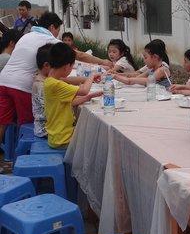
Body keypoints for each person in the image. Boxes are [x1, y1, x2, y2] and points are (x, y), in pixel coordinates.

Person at [0, 11, 112, 143]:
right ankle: (30, 151)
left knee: (2, 122)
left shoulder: (27, 36)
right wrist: (102, 62)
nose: (57, 34)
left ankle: (10, 153)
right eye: (58, 30)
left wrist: (87, 79)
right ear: (52, 27)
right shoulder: (48, 39)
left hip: (3, 80)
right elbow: (79, 55)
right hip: (22, 85)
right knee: (27, 122)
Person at [44, 43, 102, 149]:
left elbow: (68, 102)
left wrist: (88, 97)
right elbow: (84, 90)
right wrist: (92, 76)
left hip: (55, 136)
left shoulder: (50, 81)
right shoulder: (57, 84)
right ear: (67, 67)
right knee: (96, 140)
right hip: (63, 139)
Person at [32, 44, 52, 138]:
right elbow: (47, 112)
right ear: (46, 65)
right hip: (45, 130)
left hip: (46, 126)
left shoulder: (43, 79)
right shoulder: (41, 85)